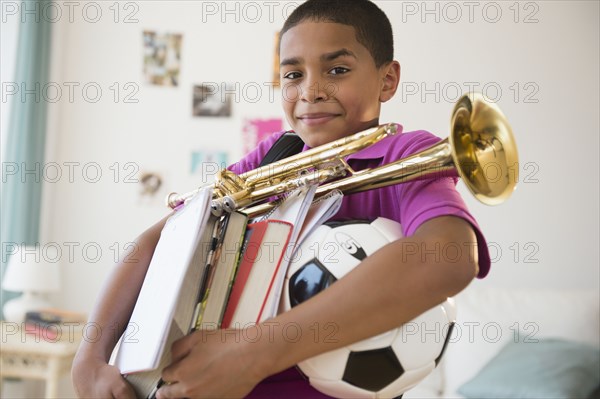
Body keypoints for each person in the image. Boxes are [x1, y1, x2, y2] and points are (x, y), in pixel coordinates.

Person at [72, 0, 490, 398]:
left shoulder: (407, 154)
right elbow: (156, 243)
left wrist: (251, 355)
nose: (311, 91)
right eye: (292, 75)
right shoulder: (275, 154)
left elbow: (449, 256)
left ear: (387, 79)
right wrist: (89, 357)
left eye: (338, 69)